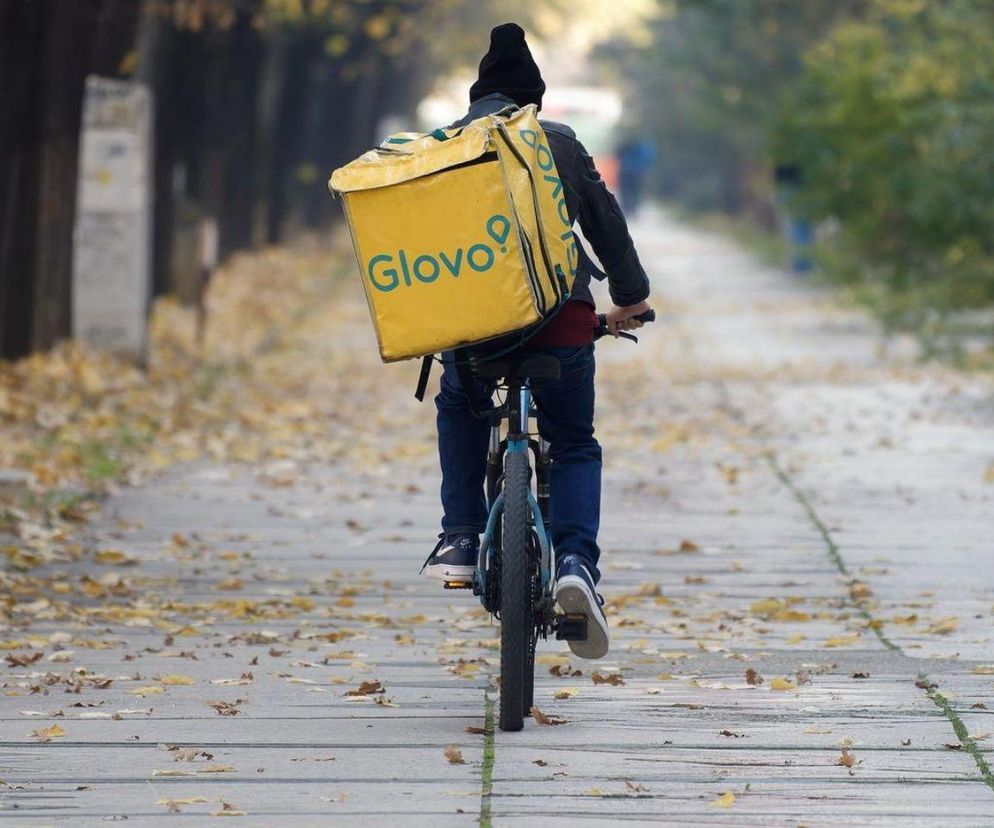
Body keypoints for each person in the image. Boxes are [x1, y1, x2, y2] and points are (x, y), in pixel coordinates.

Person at [422, 23, 651, 660]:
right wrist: (629, 299)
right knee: (574, 441)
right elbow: (607, 224)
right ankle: (576, 562)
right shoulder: (555, 143)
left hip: (475, 333)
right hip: (562, 323)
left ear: (476, 99)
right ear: (534, 102)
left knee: (459, 403)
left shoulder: (445, 150)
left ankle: (463, 536)